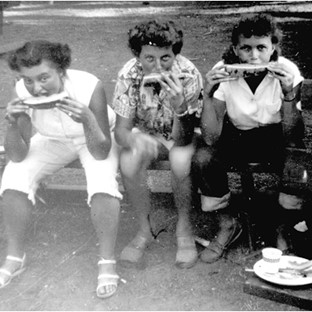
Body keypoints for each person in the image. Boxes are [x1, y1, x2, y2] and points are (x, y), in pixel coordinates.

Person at [0, 40, 122, 299]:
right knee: (14, 175)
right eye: (29, 80)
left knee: (102, 183)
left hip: (94, 136)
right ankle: (14, 255)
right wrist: (12, 123)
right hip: (52, 139)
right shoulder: (22, 90)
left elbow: (101, 149)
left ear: (62, 72)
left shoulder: (90, 85)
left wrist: (87, 117)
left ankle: (106, 259)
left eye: (44, 78)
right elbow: (18, 154)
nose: (36, 88)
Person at [192, 13, 311, 263]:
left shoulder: (287, 71)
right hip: (236, 134)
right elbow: (212, 137)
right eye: (246, 48)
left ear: (274, 48)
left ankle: (282, 227)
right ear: (236, 49)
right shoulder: (222, 71)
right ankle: (227, 225)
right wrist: (207, 94)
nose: (254, 56)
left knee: (296, 160)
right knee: (203, 158)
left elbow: (293, 134)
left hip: (276, 136)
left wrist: (289, 94)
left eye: (261, 48)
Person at [112, 19, 203, 269]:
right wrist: (134, 138)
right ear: (137, 55)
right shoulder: (128, 75)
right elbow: (121, 130)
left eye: (166, 57)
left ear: (176, 54)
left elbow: (184, 137)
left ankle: (184, 228)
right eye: (149, 58)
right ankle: (144, 228)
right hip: (146, 131)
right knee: (129, 161)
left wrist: (180, 107)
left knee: (180, 160)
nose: (158, 65)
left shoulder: (189, 74)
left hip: (180, 131)